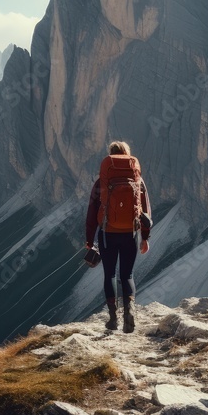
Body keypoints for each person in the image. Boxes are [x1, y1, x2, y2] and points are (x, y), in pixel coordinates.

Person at [85, 140, 152, 333]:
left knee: (110, 274)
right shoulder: (138, 179)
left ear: (111, 156)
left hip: (108, 233)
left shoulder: (102, 181)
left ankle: (113, 319)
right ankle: (129, 314)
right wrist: (145, 237)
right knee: (127, 274)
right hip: (131, 232)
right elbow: (145, 210)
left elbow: (92, 211)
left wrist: (89, 240)